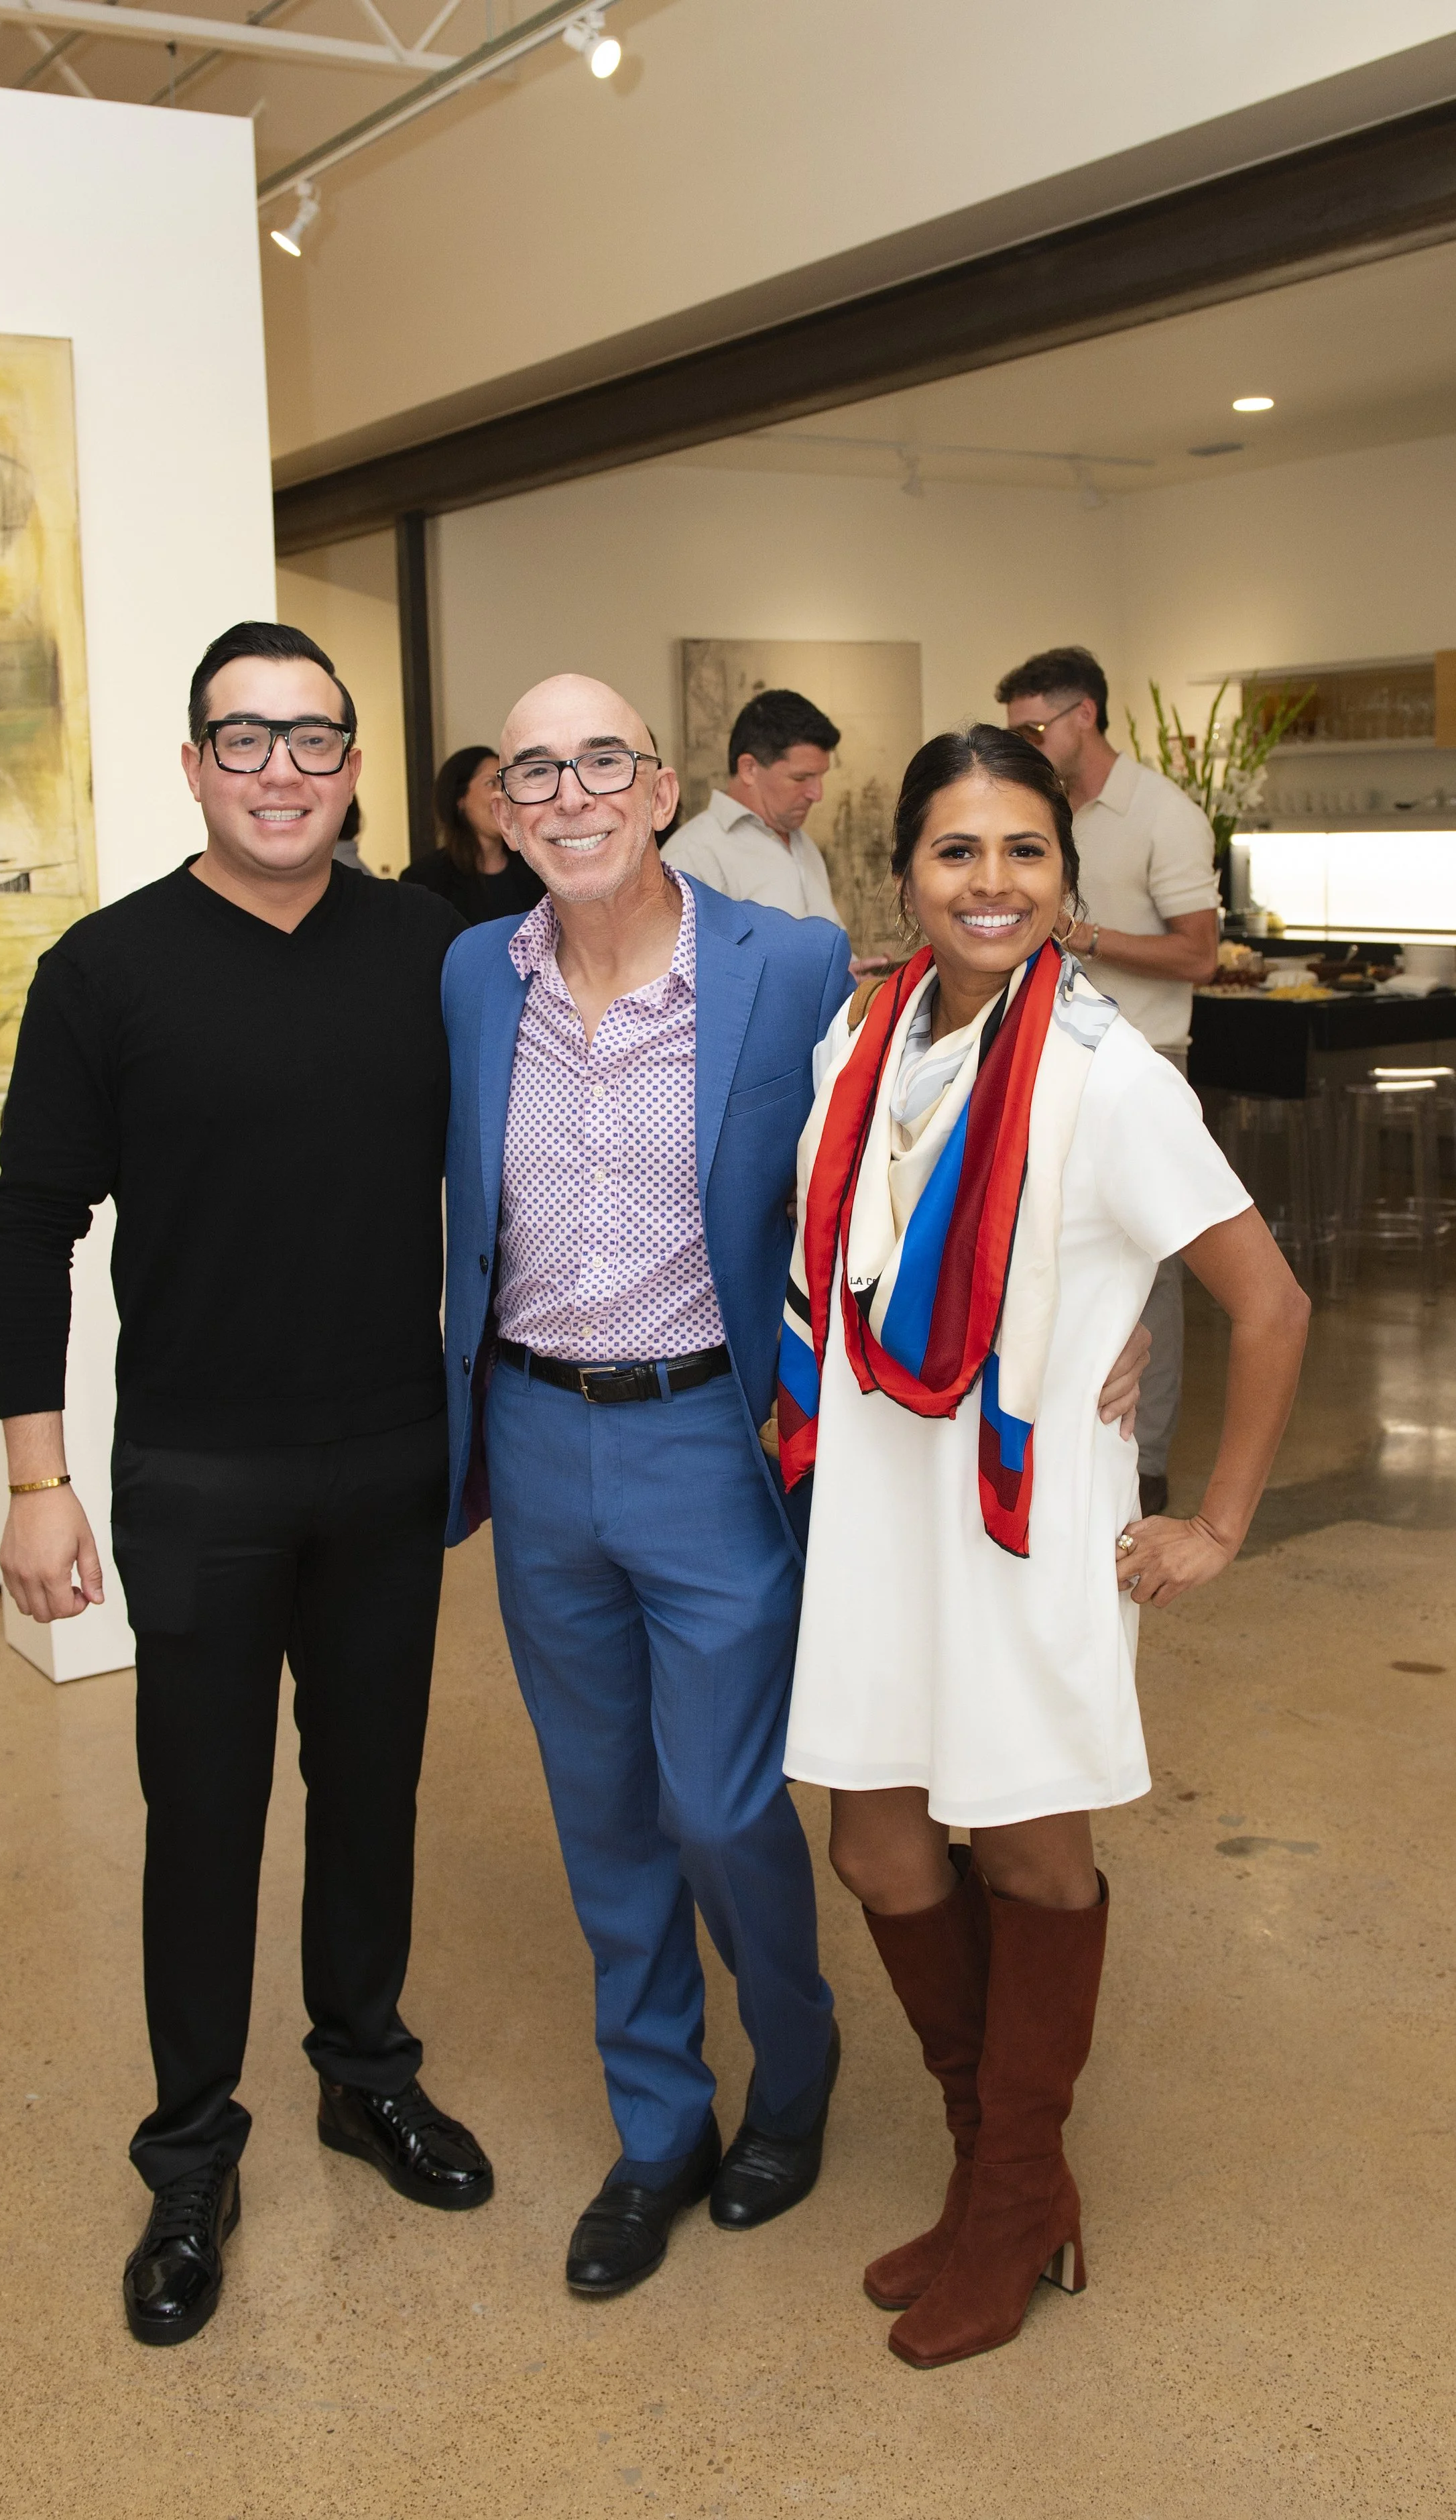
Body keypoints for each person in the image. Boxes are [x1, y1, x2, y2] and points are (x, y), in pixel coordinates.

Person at [439, 678, 1148, 2301]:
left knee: (721, 1799)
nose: (569, 794)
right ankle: (657, 2122)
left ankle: (795, 2061)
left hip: (715, 1432)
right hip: (533, 1426)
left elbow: (972, 1122)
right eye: (535, 770)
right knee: (600, 1804)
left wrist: (1120, 1291)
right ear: (501, 806)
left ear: (661, 787)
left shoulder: (790, 967)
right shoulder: (475, 973)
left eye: (601, 762)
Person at [0, 621, 493, 2352]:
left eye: (313, 737)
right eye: (245, 737)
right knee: (202, 1819)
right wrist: (37, 1475)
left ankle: (365, 2071)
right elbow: (31, 1223)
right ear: (194, 764)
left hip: (390, 1450)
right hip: (197, 1469)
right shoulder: (105, 969)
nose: (282, 769)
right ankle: (191, 2150)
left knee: (371, 1790)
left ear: (354, 763)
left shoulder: (433, 952)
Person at [780, 726, 1308, 2370]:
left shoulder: (1108, 1074)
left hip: (1017, 1528)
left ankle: (1008, 2197)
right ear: (904, 876)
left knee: (1026, 1854)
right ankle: (999, 2165)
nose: (990, 881)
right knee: (877, 1847)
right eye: (956, 850)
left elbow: (1270, 1302)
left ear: (1066, 880)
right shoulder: (860, 1038)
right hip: (878, 1515)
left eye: (1024, 850)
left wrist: (1214, 1521)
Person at [995, 646, 1221, 1515]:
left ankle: (1148, 1462)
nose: (1023, 743)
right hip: (1047, 1053)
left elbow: (1198, 954)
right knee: (1055, 1246)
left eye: (1032, 728)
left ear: (1082, 714)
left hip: (1144, 1059)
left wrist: (1080, 933)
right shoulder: (1039, 809)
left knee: (1150, 1267)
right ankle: (1060, 1442)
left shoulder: (1164, 813)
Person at [664, 687, 844, 925]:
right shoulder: (692, 856)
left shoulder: (804, 844)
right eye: (801, 778)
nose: (817, 794)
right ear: (749, 769)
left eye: (821, 777)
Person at [401, 742, 546, 925]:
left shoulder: (536, 867)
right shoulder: (425, 879)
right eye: (491, 783)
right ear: (460, 799)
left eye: (505, 784)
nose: (502, 795)